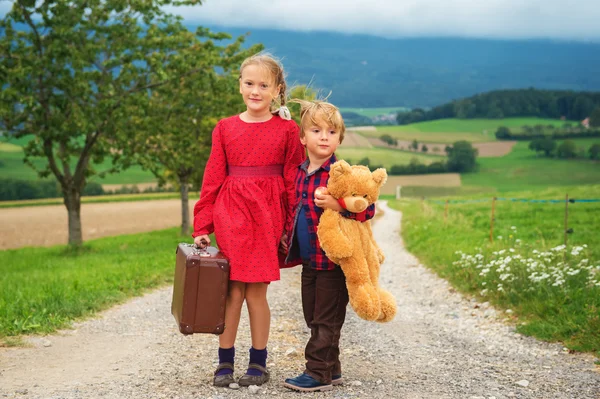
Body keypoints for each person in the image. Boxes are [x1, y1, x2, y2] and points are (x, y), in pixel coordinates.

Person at [192, 53, 306, 387]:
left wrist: (290, 224)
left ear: (277, 90)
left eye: (263, 85)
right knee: (231, 293)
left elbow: (291, 180)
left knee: (256, 294)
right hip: (231, 214)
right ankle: (224, 363)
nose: (255, 91)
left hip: (267, 217)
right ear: (240, 85)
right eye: (249, 83)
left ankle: (258, 363)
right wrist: (203, 224)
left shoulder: (287, 130)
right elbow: (212, 177)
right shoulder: (225, 128)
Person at [282, 100, 375, 392]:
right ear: (303, 138)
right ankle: (332, 369)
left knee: (326, 319)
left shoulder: (342, 175)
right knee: (313, 316)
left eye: (332, 132)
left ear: (340, 138)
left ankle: (317, 372)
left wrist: (337, 204)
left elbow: (368, 209)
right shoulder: (299, 172)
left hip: (334, 263)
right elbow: (294, 210)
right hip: (310, 262)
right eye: (316, 130)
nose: (324, 136)